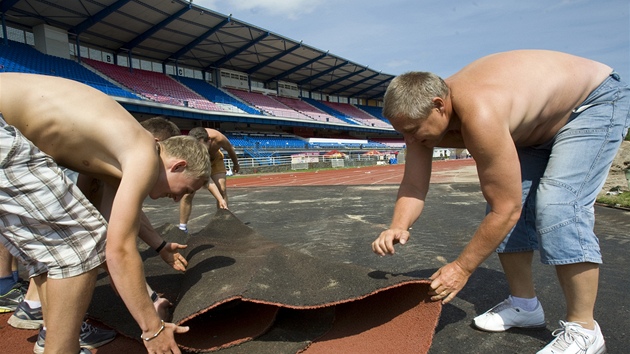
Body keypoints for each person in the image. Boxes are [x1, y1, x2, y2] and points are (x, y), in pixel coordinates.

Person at [371, 50, 629, 354]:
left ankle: (585, 330)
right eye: (402, 133)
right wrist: (397, 225)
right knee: (506, 200)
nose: (409, 140)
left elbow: (506, 209)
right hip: (536, 129)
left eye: (412, 132)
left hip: (592, 102)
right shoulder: (419, 122)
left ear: (439, 106)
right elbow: (414, 184)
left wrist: (462, 268)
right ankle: (525, 305)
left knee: (558, 204)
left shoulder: (480, 111)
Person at [0, 72, 210, 354]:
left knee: (61, 243)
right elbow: (117, 251)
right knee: (82, 242)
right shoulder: (143, 152)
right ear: (178, 165)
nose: (178, 200)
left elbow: (116, 223)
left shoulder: (117, 158)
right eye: (186, 190)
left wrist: (158, 249)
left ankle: (51, 332)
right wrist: (152, 328)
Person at [178, 127, 240, 233]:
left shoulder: (219, 138)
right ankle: (182, 227)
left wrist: (235, 163)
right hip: (197, 161)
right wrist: (220, 199)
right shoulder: (189, 146)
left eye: (202, 146)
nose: (200, 150)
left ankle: (222, 222)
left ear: (209, 141)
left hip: (215, 160)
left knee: (222, 189)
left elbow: (230, 149)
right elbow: (206, 179)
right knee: (188, 193)